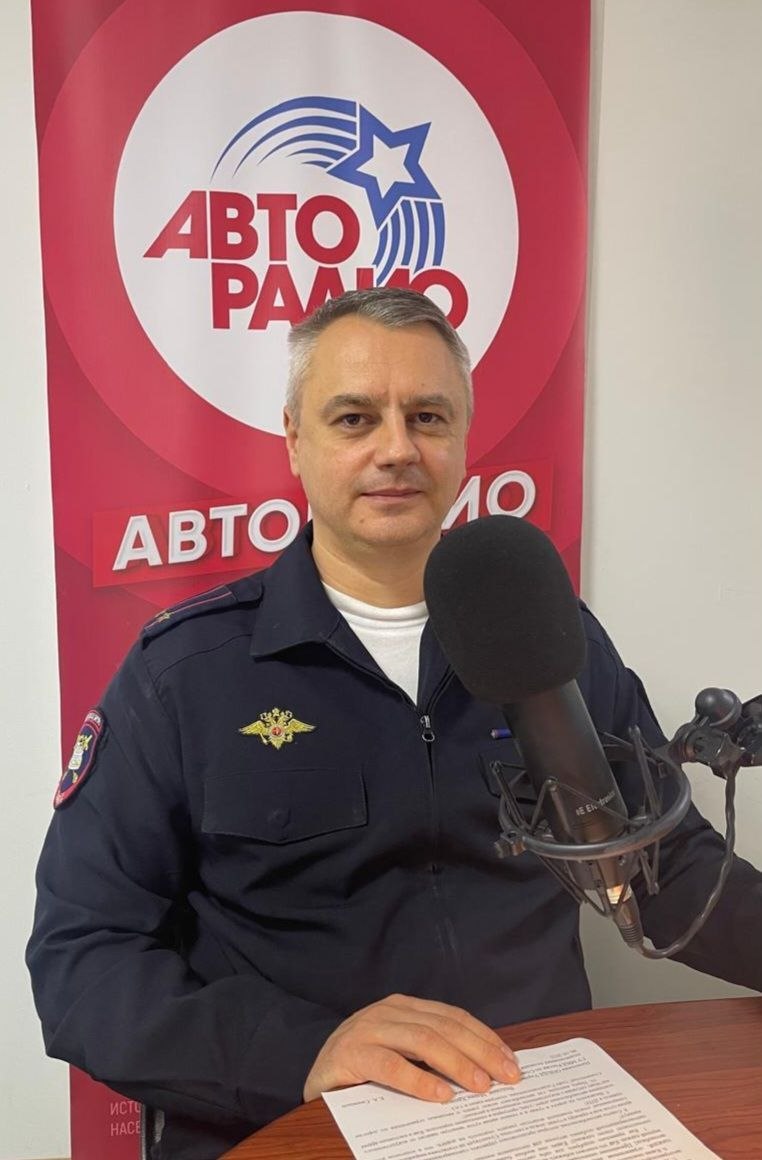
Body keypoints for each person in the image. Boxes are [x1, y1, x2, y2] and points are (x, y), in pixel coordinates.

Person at [28, 288, 762, 1160]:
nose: (397, 449)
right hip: (290, 1123)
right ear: (294, 438)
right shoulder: (186, 673)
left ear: (463, 437)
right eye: (354, 419)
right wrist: (301, 1050)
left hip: (534, 1112)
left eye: (427, 416)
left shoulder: (543, 636)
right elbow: (83, 957)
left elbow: (664, 869)